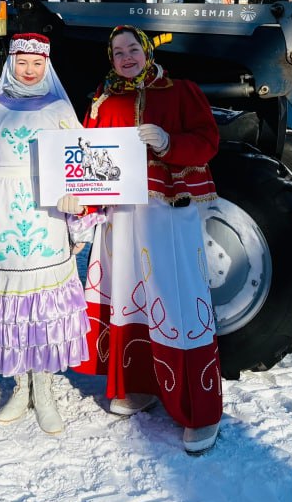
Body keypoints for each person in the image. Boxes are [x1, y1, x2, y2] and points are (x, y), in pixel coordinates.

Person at [72, 24, 223, 454]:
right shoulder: (103, 99)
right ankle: (141, 386)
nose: (125, 57)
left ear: (146, 51)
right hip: (122, 217)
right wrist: (78, 195)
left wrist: (170, 142)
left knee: (175, 302)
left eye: (132, 48)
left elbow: (208, 141)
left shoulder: (180, 90)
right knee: (130, 299)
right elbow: (86, 158)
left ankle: (199, 410)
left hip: (167, 216)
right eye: (117, 51)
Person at [0, 33, 96, 434]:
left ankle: (44, 390)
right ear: (10, 64)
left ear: (46, 66)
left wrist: (79, 219)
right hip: (5, 221)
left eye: (37, 64)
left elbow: (76, 171)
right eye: (22, 62)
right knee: (11, 311)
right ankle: (20, 385)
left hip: (48, 220)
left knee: (43, 309)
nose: (29, 70)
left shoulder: (59, 109)